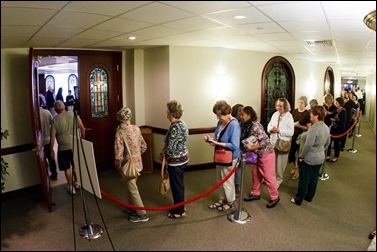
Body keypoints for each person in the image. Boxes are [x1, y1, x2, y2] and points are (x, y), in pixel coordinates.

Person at [290, 105, 330, 205]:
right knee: (314, 179)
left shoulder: (313, 128)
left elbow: (307, 145)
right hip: (320, 157)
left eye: (312, 114)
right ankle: (309, 197)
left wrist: (301, 156)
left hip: (310, 158)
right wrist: (321, 150)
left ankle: (298, 199)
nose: (310, 115)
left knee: (304, 179)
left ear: (316, 116)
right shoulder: (325, 127)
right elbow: (328, 142)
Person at [204, 100, 240, 211]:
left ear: (227, 113)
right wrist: (210, 140)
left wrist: (217, 143)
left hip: (230, 158)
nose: (218, 118)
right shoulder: (220, 123)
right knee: (219, 179)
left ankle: (230, 201)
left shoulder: (234, 124)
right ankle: (221, 200)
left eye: (219, 116)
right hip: (220, 156)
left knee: (227, 181)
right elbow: (217, 138)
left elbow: (234, 145)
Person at [241, 106, 280, 208]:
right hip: (257, 154)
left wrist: (252, 148)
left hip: (266, 154)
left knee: (268, 176)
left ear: (249, 116)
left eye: (242, 115)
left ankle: (275, 197)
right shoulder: (246, 125)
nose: (241, 117)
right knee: (255, 174)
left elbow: (265, 142)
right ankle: (255, 193)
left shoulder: (256, 126)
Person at [114, 107, 149, 223]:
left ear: (119, 118)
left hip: (128, 165)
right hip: (138, 163)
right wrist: (137, 155)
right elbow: (144, 146)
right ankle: (132, 207)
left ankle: (142, 214)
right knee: (132, 185)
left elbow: (118, 152)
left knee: (133, 188)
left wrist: (118, 165)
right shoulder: (136, 128)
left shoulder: (120, 131)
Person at [160, 100, 189, 219]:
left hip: (176, 161)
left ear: (171, 113)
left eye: (167, 110)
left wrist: (163, 154)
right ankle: (180, 205)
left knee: (176, 185)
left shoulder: (175, 128)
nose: (166, 112)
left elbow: (171, 148)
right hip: (183, 158)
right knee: (179, 184)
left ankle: (179, 211)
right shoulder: (181, 123)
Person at [50, 100, 86, 195]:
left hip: (62, 148)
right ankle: (77, 183)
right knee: (75, 165)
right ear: (64, 106)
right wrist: (82, 140)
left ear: (55, 109)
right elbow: (82, 128)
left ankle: (71, 187)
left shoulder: (55, 120)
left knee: (67, 168)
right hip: (75, 145)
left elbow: (52, 136)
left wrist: (51, 149)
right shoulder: (74, 115)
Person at [267, 98, 294, 188]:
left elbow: (291, 132)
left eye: (280, 106)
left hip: (283, 143)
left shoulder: (289, 116)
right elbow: (269, 126)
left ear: (285, 107)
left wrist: (279, 130)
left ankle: (278, 180)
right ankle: (270, 178)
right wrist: (271, 129)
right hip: (273, 142)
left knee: (280, 164)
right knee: (271, 162)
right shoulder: (275, 114)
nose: (278, 107)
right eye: (277, 105)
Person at [288, 96, 311, 181]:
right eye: (299, 102)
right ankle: (295, 166)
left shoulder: (307, 113)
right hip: (293, 134)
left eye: (302, 102)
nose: (300, 104)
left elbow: (309, 128)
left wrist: (299, 125)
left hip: (301, 136)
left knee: (299, 153)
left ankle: (297, 171)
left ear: (305, 103)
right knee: (292, 152)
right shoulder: (294, 111)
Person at [39, 102, 58, 180]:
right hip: (47, 139)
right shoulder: (47, 112)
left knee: (41, 158)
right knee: (51, 157)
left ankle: (43, 175)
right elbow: (52, 123)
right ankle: (54, 174)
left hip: (38, 141)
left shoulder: (35, 114)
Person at [326, 97, 346, 162]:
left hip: (338, 130)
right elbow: (332, 114)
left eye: (336, 102)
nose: (335, 103)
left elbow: (341, 121)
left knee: (336, 144)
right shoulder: (336, 109)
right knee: (329, 142)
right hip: (333, 128)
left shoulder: (343, 111)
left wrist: (334, 120)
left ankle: (336, 156)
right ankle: (328, 155)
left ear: (340, 103)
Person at [231, 103, 244, 197]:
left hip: (240, 148)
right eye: (240, 110)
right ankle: (231, 187)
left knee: (238, 169)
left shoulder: (243, 123)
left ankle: (237, 186)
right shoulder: (232, 122)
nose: (242, 113)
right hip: (232, 148)